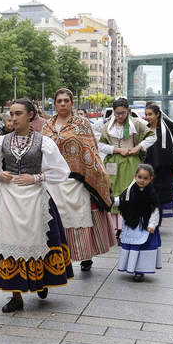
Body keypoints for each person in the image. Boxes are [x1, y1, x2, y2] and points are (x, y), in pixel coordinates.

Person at [0, 98, 74, 313]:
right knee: (9, 241)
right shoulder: (2, 140)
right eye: (10, 114)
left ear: (30, 116)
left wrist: (37, 177)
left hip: (35, 198)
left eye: (17, 114)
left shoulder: (44, 141)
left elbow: (61, 170)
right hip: (9, 197)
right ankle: (15, 295)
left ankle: (41, 280)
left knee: (40, 240)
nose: (12, 118)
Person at [42, 89, 115, 272]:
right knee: (57, 218)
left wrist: (95, 174)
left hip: (77, 178)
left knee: (79, 215)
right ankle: (60, 255)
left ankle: (85, 255)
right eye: (59, 101)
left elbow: (90, 149)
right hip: (52, 178)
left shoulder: (81, 124)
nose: (63, 104)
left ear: (72, 103)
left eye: (66, 100)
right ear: (55, 103)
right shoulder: (47, 126)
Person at [99, 97, 157, 237]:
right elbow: (100, 145)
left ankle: (128, 225)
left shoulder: (137, 124)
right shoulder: (108, 126)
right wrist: (116, 150)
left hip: (131, 162)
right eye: (117, 113)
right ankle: (115, 228)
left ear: (128, 111)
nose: (120, 116)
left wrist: (138, 147)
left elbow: (152, 137)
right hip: (112, 163)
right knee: (113, 191)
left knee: (129, 192)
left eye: (123, 113)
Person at [115, 164, 162, 282]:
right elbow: (121, 201)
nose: (142, 180)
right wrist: (109, 200)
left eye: (145, 178)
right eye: (139, 177)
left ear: (151, 178)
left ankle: (140, 271)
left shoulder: (152, 193)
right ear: (135, 176)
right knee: (132, 246)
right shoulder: (130, 190)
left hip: (145, 225)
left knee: (143, 248)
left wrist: (152, 225)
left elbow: (155, 209)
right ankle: (129, 266)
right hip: (132, 223)